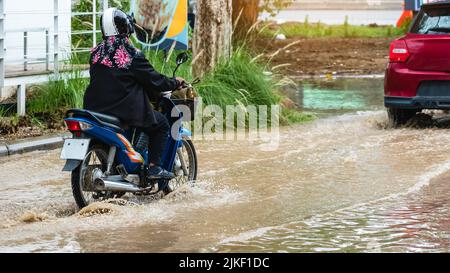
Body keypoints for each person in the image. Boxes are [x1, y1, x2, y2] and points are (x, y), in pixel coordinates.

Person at [83, 8, 185, 180]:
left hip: (94, 110)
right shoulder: (131, 54)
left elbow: (113, 79)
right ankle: (154, 168)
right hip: (122, 110)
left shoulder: (95, 53)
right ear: (126, 27)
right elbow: (154, 80)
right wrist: (175, 82)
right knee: (161, 124)